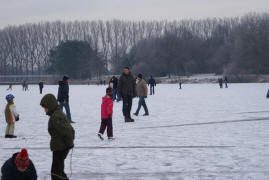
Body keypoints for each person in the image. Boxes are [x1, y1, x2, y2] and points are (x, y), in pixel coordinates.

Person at [40, 94, 75, 180]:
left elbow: (67, 131)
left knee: (56, 173)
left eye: (45, 107)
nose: (44, 110)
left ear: (50, 105)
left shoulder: (56, 116)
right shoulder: (55, 114)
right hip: (59, 146)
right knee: (59, 171)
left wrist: (69, 143)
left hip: (61, 147)